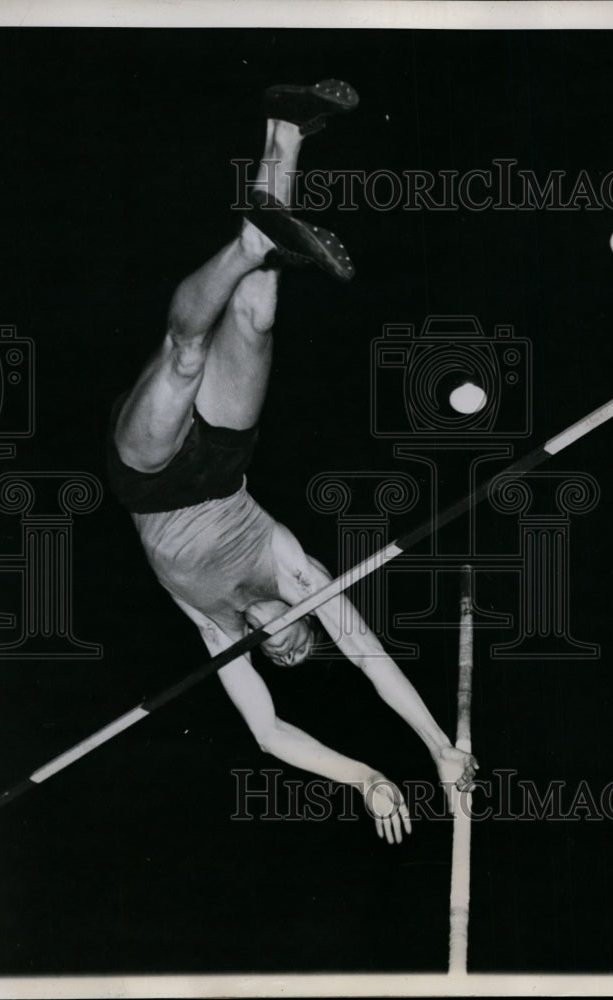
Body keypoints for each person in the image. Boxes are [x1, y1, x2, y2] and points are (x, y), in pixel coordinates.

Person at [107, 80, 477, 845]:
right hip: (225, 465)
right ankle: (288, 128)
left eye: (278, 653)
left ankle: (252, 240)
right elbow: (373, 661)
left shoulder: (214, 629)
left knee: (184, 359)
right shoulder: (297, 574)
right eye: (302, 644)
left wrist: (368, 778)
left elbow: (271, 735)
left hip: (148, 482)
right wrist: (439, 750)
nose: (285, 645)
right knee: (259, 312)